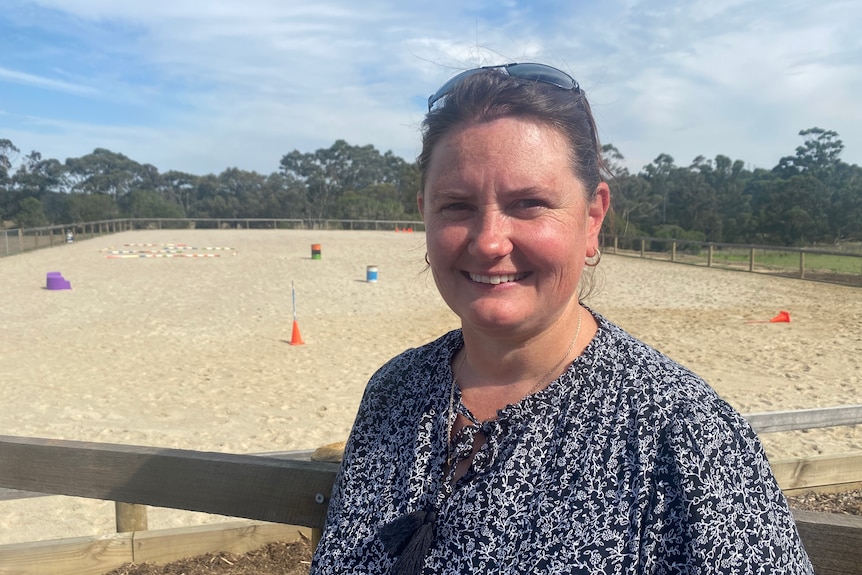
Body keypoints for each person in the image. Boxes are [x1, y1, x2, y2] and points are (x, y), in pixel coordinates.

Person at [309, 63, 813, 574]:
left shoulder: (684, 435)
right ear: (425, 215)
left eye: (529, 204)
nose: (488, 240)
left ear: (592, 218)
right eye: (456, 206)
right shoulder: (393, 392)